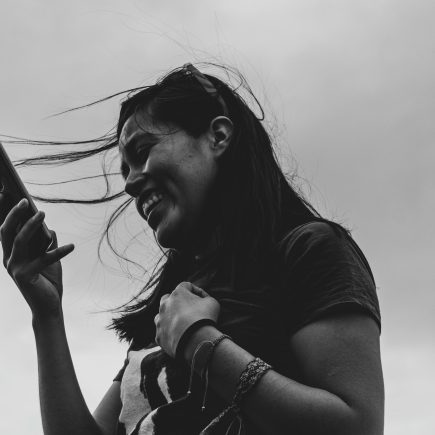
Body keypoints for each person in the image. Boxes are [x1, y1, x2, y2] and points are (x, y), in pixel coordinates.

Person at [0, 63, 384, 435]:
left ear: (218, 136)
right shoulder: (169, 307)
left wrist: (199, 341)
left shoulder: (308, 251)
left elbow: (357, 426)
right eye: (125, 171)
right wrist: (46, 315)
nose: (130, 184)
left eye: (143, 151)